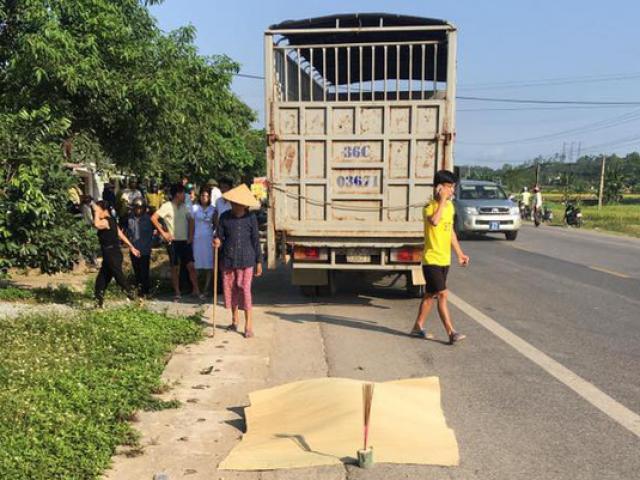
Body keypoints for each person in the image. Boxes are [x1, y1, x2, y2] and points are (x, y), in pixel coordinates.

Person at [410, 170, 470, 345]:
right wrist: (442, 200)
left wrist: (459, 253)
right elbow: (435, 221)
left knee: (430, 295)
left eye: (453, 187)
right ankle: (451, 332)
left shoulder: (450, 207)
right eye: (449, 187)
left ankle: (417, 326)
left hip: (444, 260)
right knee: (442, 294)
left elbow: (450, 231)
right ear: (439, 188)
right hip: (431, 260)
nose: (452, 191)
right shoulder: (429, 207)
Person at [213, 184, 263, 338]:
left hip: (247, 259)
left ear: (244, 204)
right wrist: (217, 241)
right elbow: (220, 236)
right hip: (228, 258)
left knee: (244, 289)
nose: (234, 205)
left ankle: (248, 325)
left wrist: (259, 261)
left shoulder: (251, 218)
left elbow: (255, 240)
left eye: (237, 203)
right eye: (233, 203)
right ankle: (235, 320)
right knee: (231, 288)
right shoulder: (225, 217)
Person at [151, 183, 201, 301]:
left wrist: (191, 236)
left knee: (191, 266)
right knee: (175, 267)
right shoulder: (167, 206)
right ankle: (177, 292)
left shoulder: (185, 206)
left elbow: (191, 221)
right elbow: (153, 218)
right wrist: (164, 233)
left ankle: (196, 290)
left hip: (185, 241)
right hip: (173, 242)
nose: (185, 195)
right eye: (183, 193)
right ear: (178, 194)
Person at [91, 200, 139, 308]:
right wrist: (131, 247)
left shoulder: (106, 221)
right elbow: (120, 234)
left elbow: (96, 224)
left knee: (119, 277)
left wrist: (96, 213)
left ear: (103, 210)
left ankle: (133, 296)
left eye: (98, 210)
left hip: (112, 254)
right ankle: (98, 302)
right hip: (111, 253)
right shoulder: (111, 220)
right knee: (101, 280)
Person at [190, 188, 216, 298]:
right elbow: (191, 224)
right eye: (202, 195)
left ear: (209, 197)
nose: (203, 198)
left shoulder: (213, 209)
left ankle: (206, 289)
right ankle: (196, 289)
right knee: (196, 265)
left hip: (208, 238)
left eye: (206, 196)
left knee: (209, 265)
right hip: (197, 239)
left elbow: (216, 223)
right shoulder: (194, 208)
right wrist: (190, 238)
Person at [127, 198, 154, 297]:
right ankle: (139, 290)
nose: (138, 210)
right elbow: (128, 233)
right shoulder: (130, 219)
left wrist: (152, 243)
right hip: (134, 249)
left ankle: (146, 291)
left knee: (144, 271)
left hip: (145, 250)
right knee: (137, 271)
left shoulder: (149, 219)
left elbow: (155, 232)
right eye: (136, 208)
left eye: (140, 208)